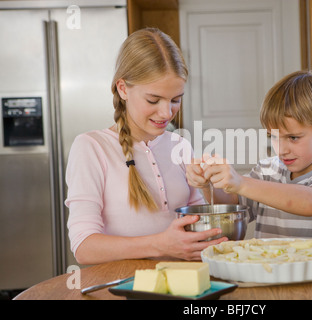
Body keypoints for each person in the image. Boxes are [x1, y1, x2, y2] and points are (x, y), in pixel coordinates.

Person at [65, 28, 226, 265]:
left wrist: (212, 191)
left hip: (182, 282)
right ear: (123, 89)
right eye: (153, 100)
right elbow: (84, 247)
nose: (166, 113)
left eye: (175, 100)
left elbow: (196, 221)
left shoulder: (180, 145)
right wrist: (159, 245)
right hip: (119, 285)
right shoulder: (91, 147)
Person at [186, 70, 312, 242]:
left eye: (293, 138)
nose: (282, 149)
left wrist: (241, 182)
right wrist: (209, 183)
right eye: (274, 136)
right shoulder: (266, 171)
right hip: (265, 270)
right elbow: (230, 209)